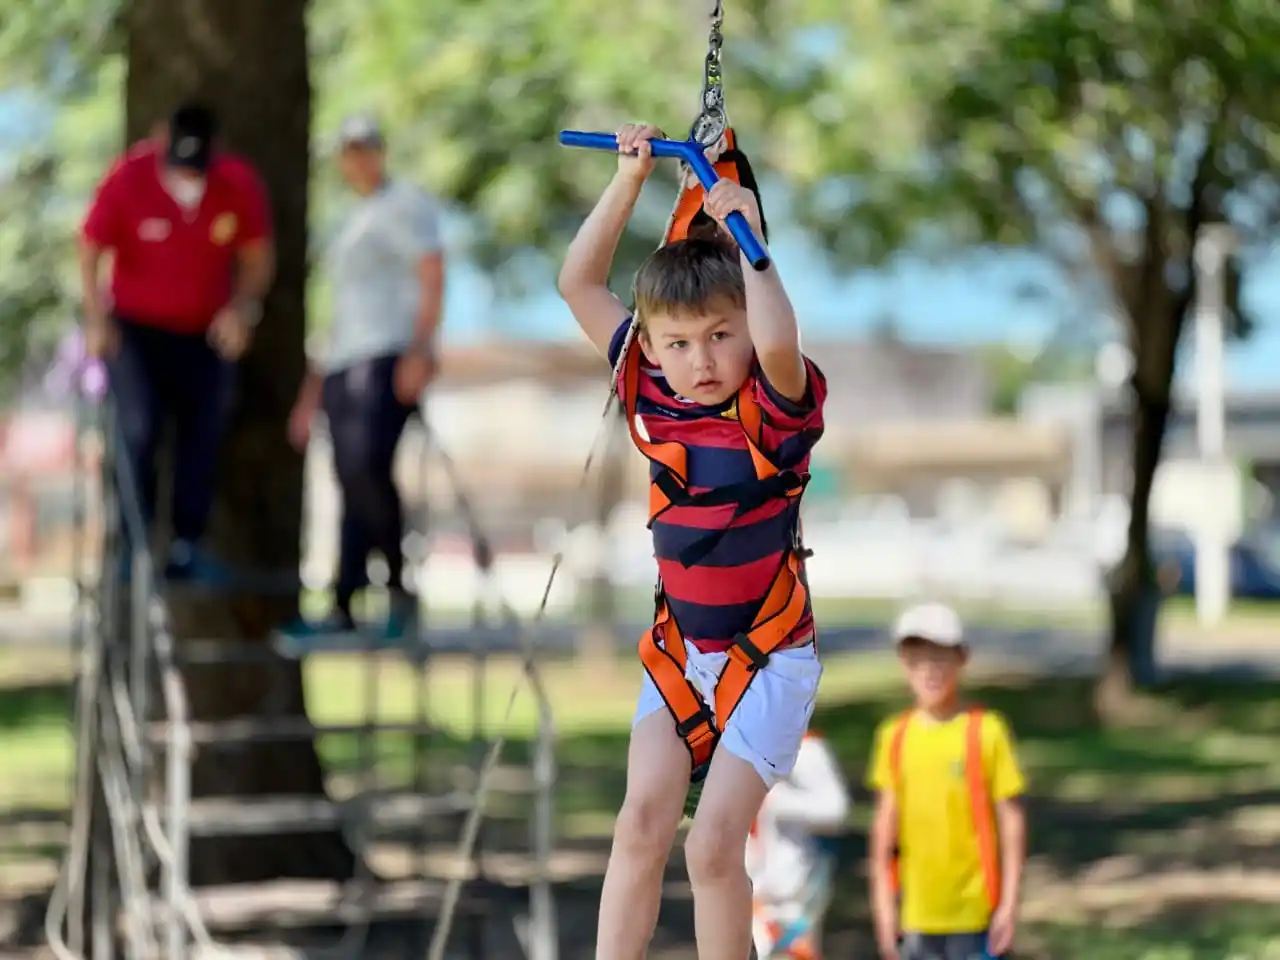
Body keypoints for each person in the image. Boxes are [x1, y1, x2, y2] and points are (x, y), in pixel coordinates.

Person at [557, 122, 827, 960]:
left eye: (720, 335)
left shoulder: (774, 408)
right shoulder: (646, 382)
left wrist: (753, 246)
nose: (701, 358)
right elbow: (579, 282)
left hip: (767, 656)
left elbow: (777, 338)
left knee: (712, 847)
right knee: (640, 821)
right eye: (678, 341)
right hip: (681, 655)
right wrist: (631, 180)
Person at [80, 102, 274, 583]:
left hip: (203, 332)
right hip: (135, 330)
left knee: (202, 434)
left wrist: (242, 309)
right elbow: (89, 249)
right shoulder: (128, 176)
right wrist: (96, 318)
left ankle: (189, 546)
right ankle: (133, 546)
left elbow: (257, 258)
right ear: (161, 140)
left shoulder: (237, 183)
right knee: (139, 428)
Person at [279, 114, 443, 642]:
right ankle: (344, 603)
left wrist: (421, 349)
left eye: (365, 148)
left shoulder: (406, 205)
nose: (358, 160)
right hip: (343, 362)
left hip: (387, 354)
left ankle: (397, 590)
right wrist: (310, 395)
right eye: (348, 151)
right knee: (349, 477)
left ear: (380, 151)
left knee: (370, 466)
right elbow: (337, 317)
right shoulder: (350, 221)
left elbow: (431, 272)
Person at [866, 603, 1028, 960]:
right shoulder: (894, 736)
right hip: (916, 917)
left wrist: (1009, 905)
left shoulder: (987, 731)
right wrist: (884, 909)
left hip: (976, 915)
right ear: (903, 665)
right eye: (917, 660)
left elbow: (1012, 822)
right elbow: (883, 834)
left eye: (939, 658)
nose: (929, 670)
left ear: (961, 658)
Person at [747, 730, 851, 959]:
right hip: (754, 902)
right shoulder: (737, 748)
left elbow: (836, 810)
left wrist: (777, 800)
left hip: (795, 902)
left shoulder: (806, 748)